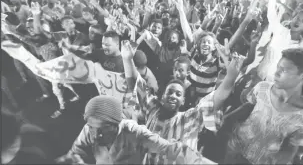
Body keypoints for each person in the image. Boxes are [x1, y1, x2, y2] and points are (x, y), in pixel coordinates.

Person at [121, 40, 244, 164]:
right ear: (162, 97)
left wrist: (230, 77)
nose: (173, 96)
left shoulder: (187, 119)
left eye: (178, 94)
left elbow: (214, 101)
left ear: (183, 101)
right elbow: (136, 85)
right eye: (170, 92)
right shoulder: (152, 108)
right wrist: (127, 59)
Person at [55, 96, 215, 164]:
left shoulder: (135, 133)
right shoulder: (90, 128)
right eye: (91, 128)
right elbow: (76, 153)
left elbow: (171, 149)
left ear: (116, 124)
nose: (95, 135)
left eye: (102, 129)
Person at [225, 48, 303, 164]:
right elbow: (247, 107)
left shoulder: (300, 116)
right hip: (234, 152)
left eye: (284, 70)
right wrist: (225, 119)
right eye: (277, 67)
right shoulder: (263, 88)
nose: (276, 73)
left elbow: (290, 152)